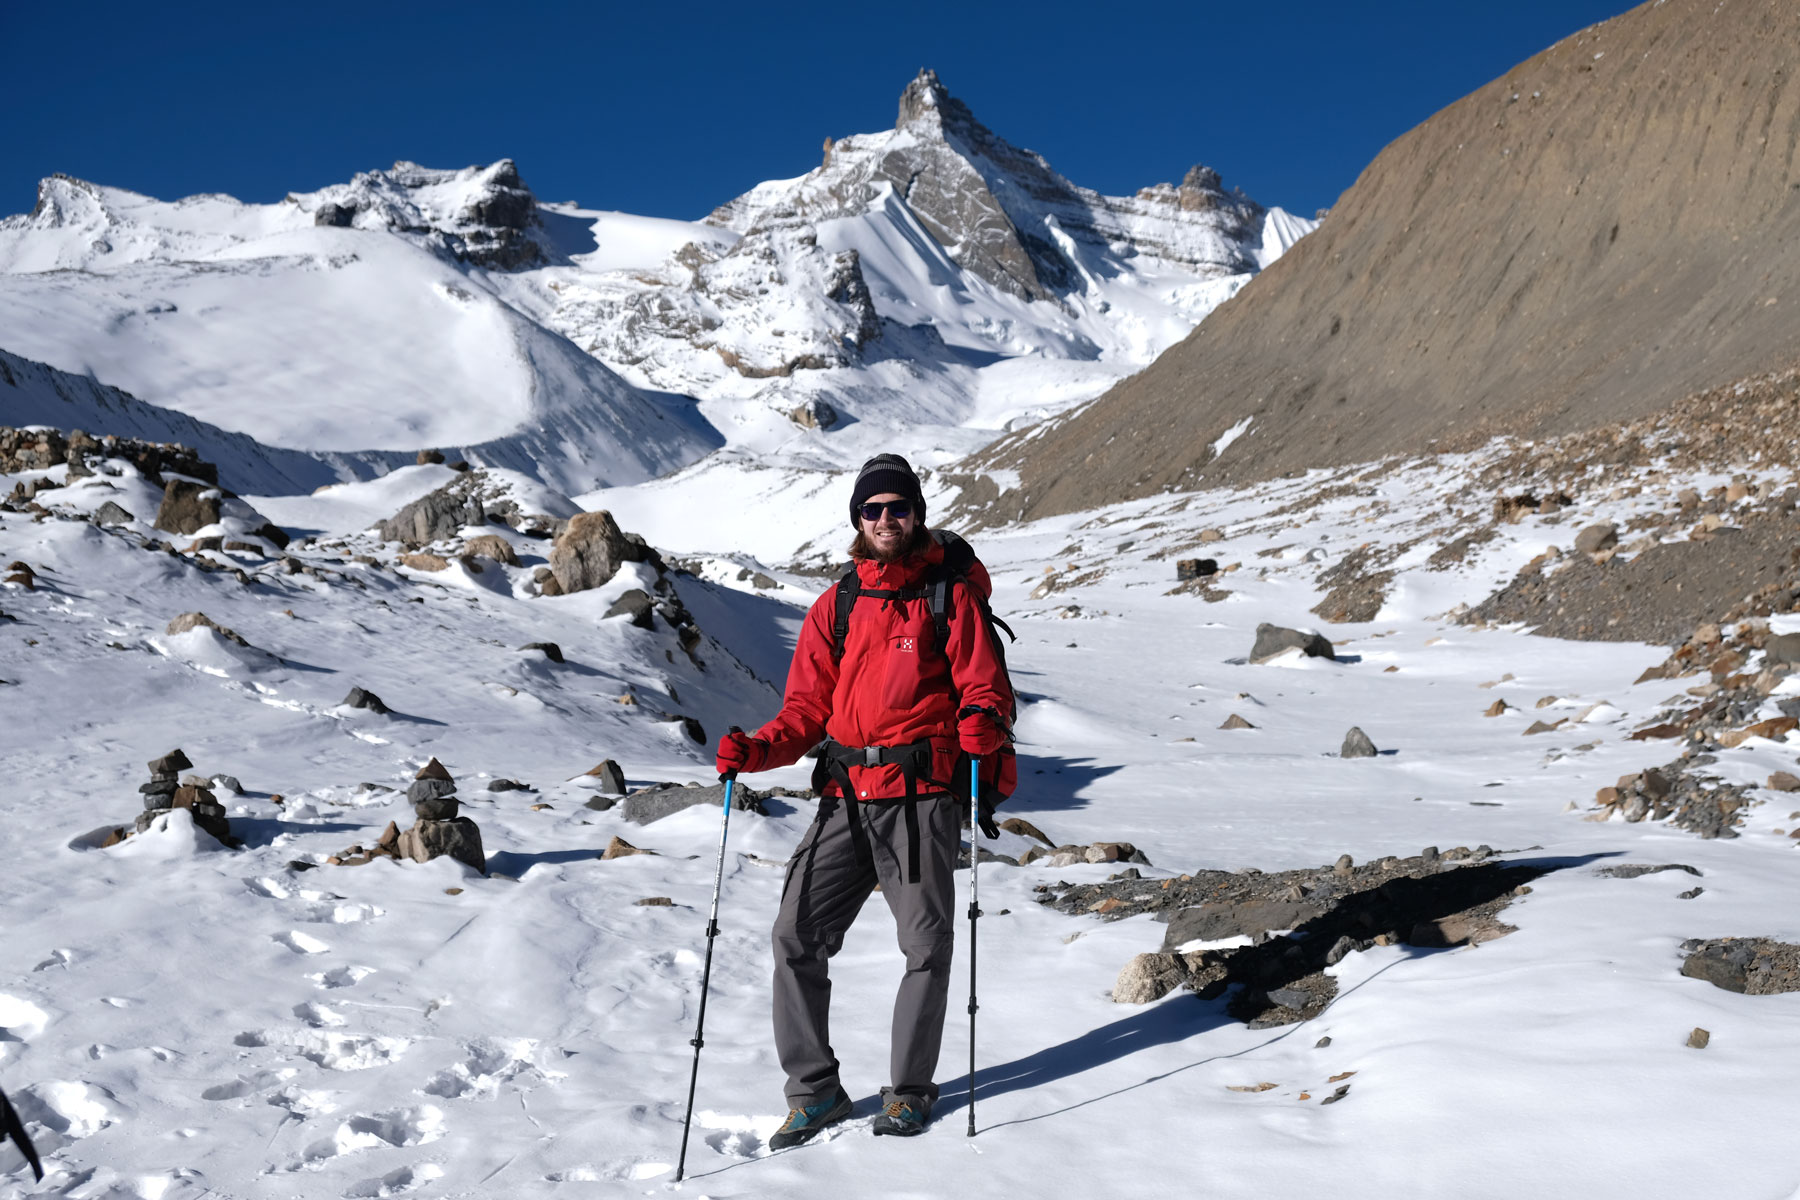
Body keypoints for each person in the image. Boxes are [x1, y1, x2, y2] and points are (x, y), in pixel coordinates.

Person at [716, 453, 1012, 1145]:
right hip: (846, 796)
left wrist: (982, 722)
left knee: (926, 946)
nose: (886, 519)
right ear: (857, 519)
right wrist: (755, 752)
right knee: (795, 937)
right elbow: (804, 712)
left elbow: (985, 687)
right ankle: (815, 1091)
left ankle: (909, 1091)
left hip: (922, 798)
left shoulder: (949, 596)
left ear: (917, 514)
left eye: (898, 507)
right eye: (873, 509)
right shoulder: (838, 604)